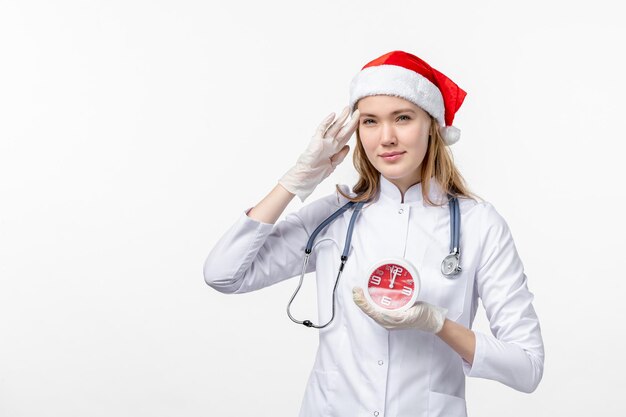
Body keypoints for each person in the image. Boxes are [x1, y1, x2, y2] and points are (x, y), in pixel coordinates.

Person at [203, 50, 544, 417]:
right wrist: (297, 178)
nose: (386, 137)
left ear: (431, 124)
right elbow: (223, 274)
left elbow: (527, 367)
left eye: (402, 118)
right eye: (370, 121)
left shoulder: (480, 224)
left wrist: (437, 324)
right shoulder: (334, 216)